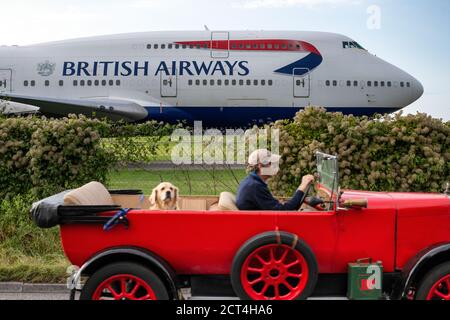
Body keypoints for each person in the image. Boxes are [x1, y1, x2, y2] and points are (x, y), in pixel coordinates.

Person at [236, 149, 315, 211]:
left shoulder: (252, 182)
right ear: (260, 166)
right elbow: (285, 210)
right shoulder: (254, 186)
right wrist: (303, 185)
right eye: (271, 163)